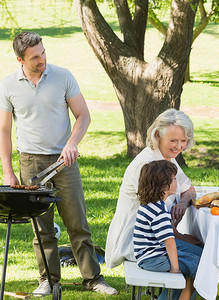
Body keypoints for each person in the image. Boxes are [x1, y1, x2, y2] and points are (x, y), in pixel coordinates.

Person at [0, 32, 117, 295]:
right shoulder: (8, 85)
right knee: (42, 229)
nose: (42, 59)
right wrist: (9, 172)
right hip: (30, 162)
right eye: (35, 57)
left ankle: (93, 279)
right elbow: (4, 131)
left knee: (78, 223)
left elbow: (83, 115)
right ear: (20, 59)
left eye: (43, 53)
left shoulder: (63, 76)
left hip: (64, 161)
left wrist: (72, 142)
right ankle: (49, 280)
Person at [105, 108, 197, 269]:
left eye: (183, 140)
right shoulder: (149, 165)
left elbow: (189, 189)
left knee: (201, 252)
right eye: (173, 140)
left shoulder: (167, 158)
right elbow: (155, 217)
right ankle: (174, 293)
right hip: (144, 244)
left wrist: (182, 203)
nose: (179, 146)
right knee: (201, 257)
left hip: (159, 237)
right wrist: (182, 237)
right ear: (157, 136)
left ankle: (177, 292)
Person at [134, 160, 202, 300]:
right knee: (199, 266)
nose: (177, 181)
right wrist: (175, 268)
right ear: (164, 186)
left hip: (146, 254)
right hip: (154, 258)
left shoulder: (150, 204)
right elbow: (169, 242)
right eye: (174, 179)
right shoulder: (160, 211)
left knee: (198, 258)